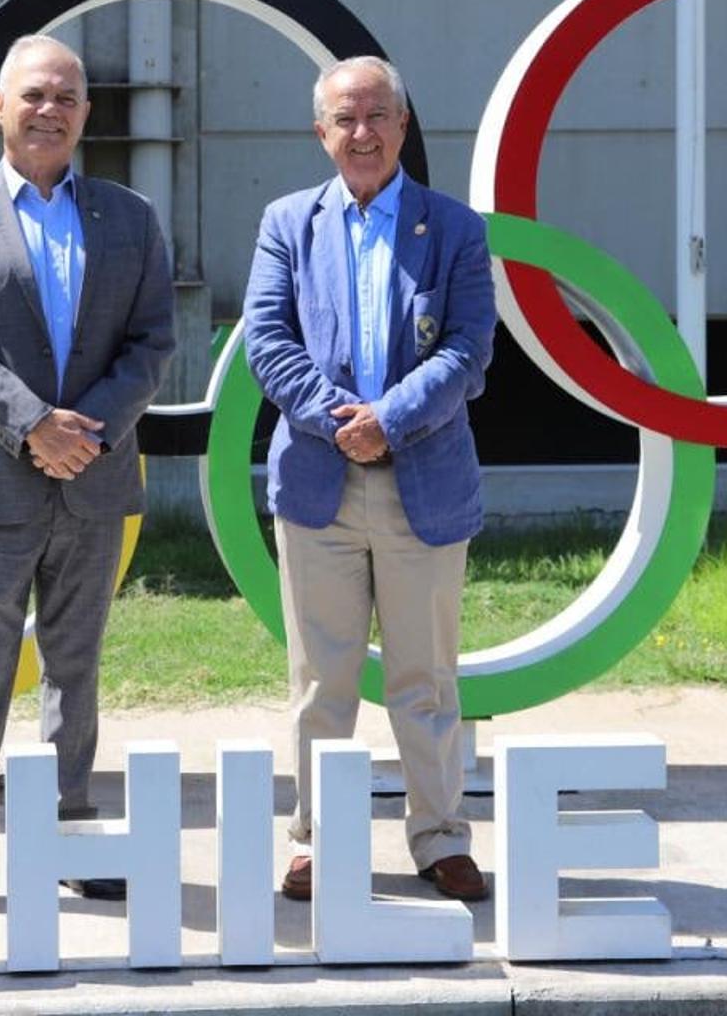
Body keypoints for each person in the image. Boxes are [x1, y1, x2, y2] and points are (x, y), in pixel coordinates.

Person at [0, 33, 176, 897]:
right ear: (0, 105)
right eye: (34, 94)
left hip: (94, 481)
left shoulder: (132, 217)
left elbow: (151, 344)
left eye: (66, 96)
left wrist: (80, 431)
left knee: (77, 670)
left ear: (86, 112)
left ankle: (71, 844)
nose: (50, 109)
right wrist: (32, 428)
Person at [242, 55, 496, 903]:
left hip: (423, 484)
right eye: (344, 119)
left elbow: (468, 349)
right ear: (322, 132)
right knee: (322, 681)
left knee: (426, 680)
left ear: (404, 124)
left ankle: (439, 836)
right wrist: (339, 419)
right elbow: (266, 341)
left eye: (377, 115)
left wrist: (389, 418)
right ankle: (319, 838)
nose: (362, 133)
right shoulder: (286, 223)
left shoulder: (455, 228)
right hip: (318, 486)